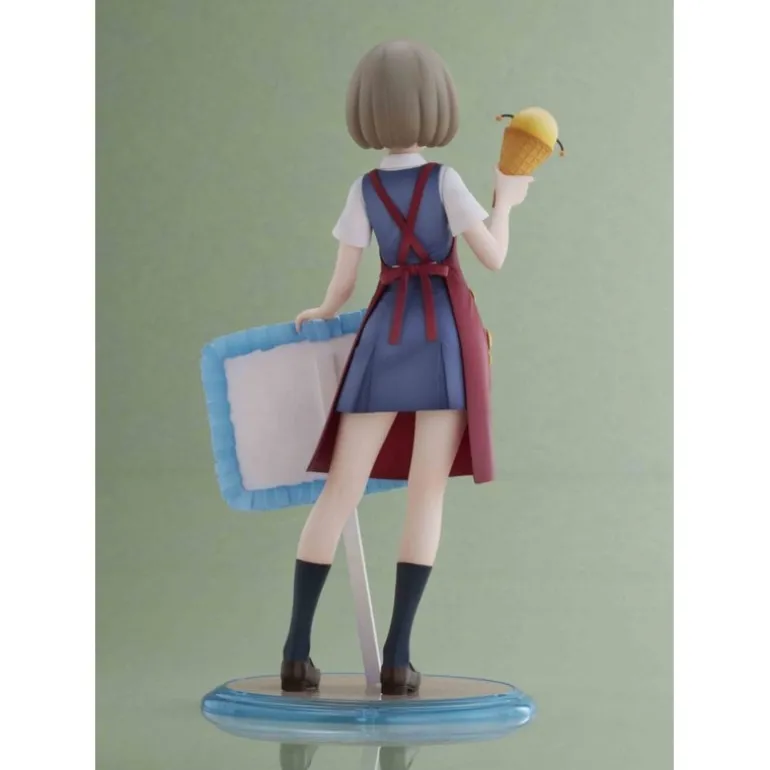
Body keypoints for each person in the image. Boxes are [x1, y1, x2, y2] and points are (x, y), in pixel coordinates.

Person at [281, 40, 532, 695]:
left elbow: (343, 281)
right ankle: (397, 658)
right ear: (435, 103)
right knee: (426, 494)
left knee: (340, 490)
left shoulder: (364, 188)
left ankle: (295, 652)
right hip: (442, 336)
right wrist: (507, 201)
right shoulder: (445, 181)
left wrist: (322, 309)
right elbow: (494, 257)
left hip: (383, 336)